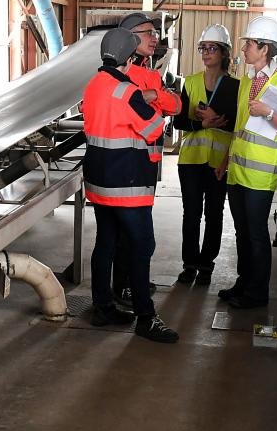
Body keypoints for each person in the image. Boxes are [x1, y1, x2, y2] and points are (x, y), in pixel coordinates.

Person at [82, 28, 179, 343]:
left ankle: (103, 307)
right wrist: (156, 102)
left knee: (105, 244)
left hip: (98, 183)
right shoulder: (126, 90)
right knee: (141, 247)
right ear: (129, 57)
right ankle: (146, 318)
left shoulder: (94, 85)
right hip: (127, 184)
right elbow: (153, 129)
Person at [218, 16, 277, 309]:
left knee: (255, 234)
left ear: (265, 48)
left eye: (249, 44)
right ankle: (243, 283)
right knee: (242, 231)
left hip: (260, 174)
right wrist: (226, 161)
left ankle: (257, 293)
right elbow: (239, 128)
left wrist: (267, 112)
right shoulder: (245, 83)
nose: (244, 49)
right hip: (238, 170)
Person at [112, 12, 181, 307]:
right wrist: (157, 97)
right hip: (129, 162)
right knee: (130, 233)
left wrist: (156, 96)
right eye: (147, 33)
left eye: (155, 33)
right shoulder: (126, 74)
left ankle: (133, 280)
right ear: (128, 38)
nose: (155, 38)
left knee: (134, 231)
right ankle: (125, 287)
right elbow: (162, 105)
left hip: (147, 161)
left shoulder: (149, 72)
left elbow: (174, 105)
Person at [171, 24, 239, 287]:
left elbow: (240, 126)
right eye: (203, 48)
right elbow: (178, 124)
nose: (206, 53)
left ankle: (207, 264)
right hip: (191, 160)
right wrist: (204, 124)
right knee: (191, 213)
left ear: (223, 53)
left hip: (218, 162)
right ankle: (189, 264)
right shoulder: (190, 82)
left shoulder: (236, 86)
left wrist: (221, 124)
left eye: (212, 48)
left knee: (214, 213)